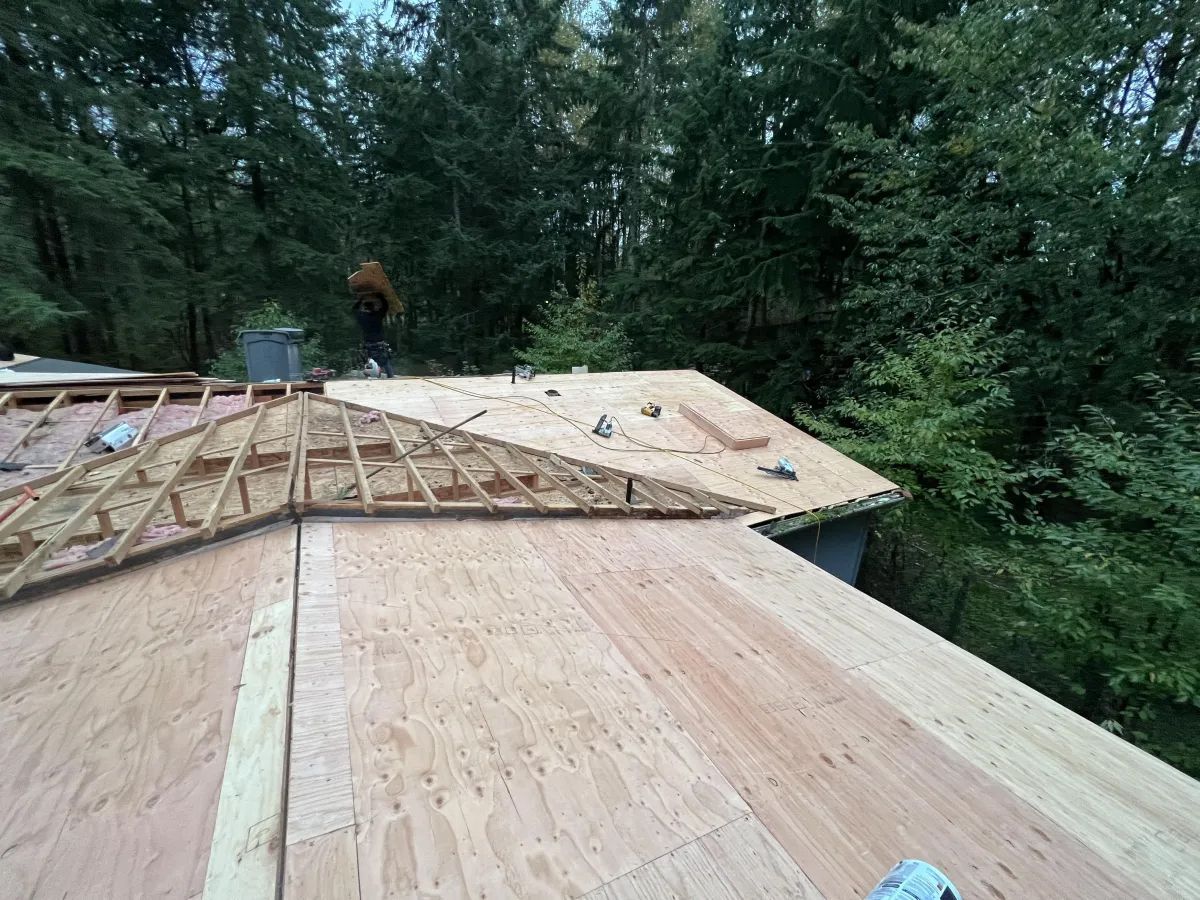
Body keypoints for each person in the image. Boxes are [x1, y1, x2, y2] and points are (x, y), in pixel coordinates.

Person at [354, 294, 395, 378]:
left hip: (368, 345)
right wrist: (381, 297)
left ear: (365, 308)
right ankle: (391, 378)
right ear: (373, 307)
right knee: (386, 363)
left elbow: (354, 309)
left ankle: (370, 380)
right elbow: (385, 307)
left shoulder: (362, 317)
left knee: (369, 364)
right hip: (379, 344)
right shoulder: (377, 315)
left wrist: (360, 300)